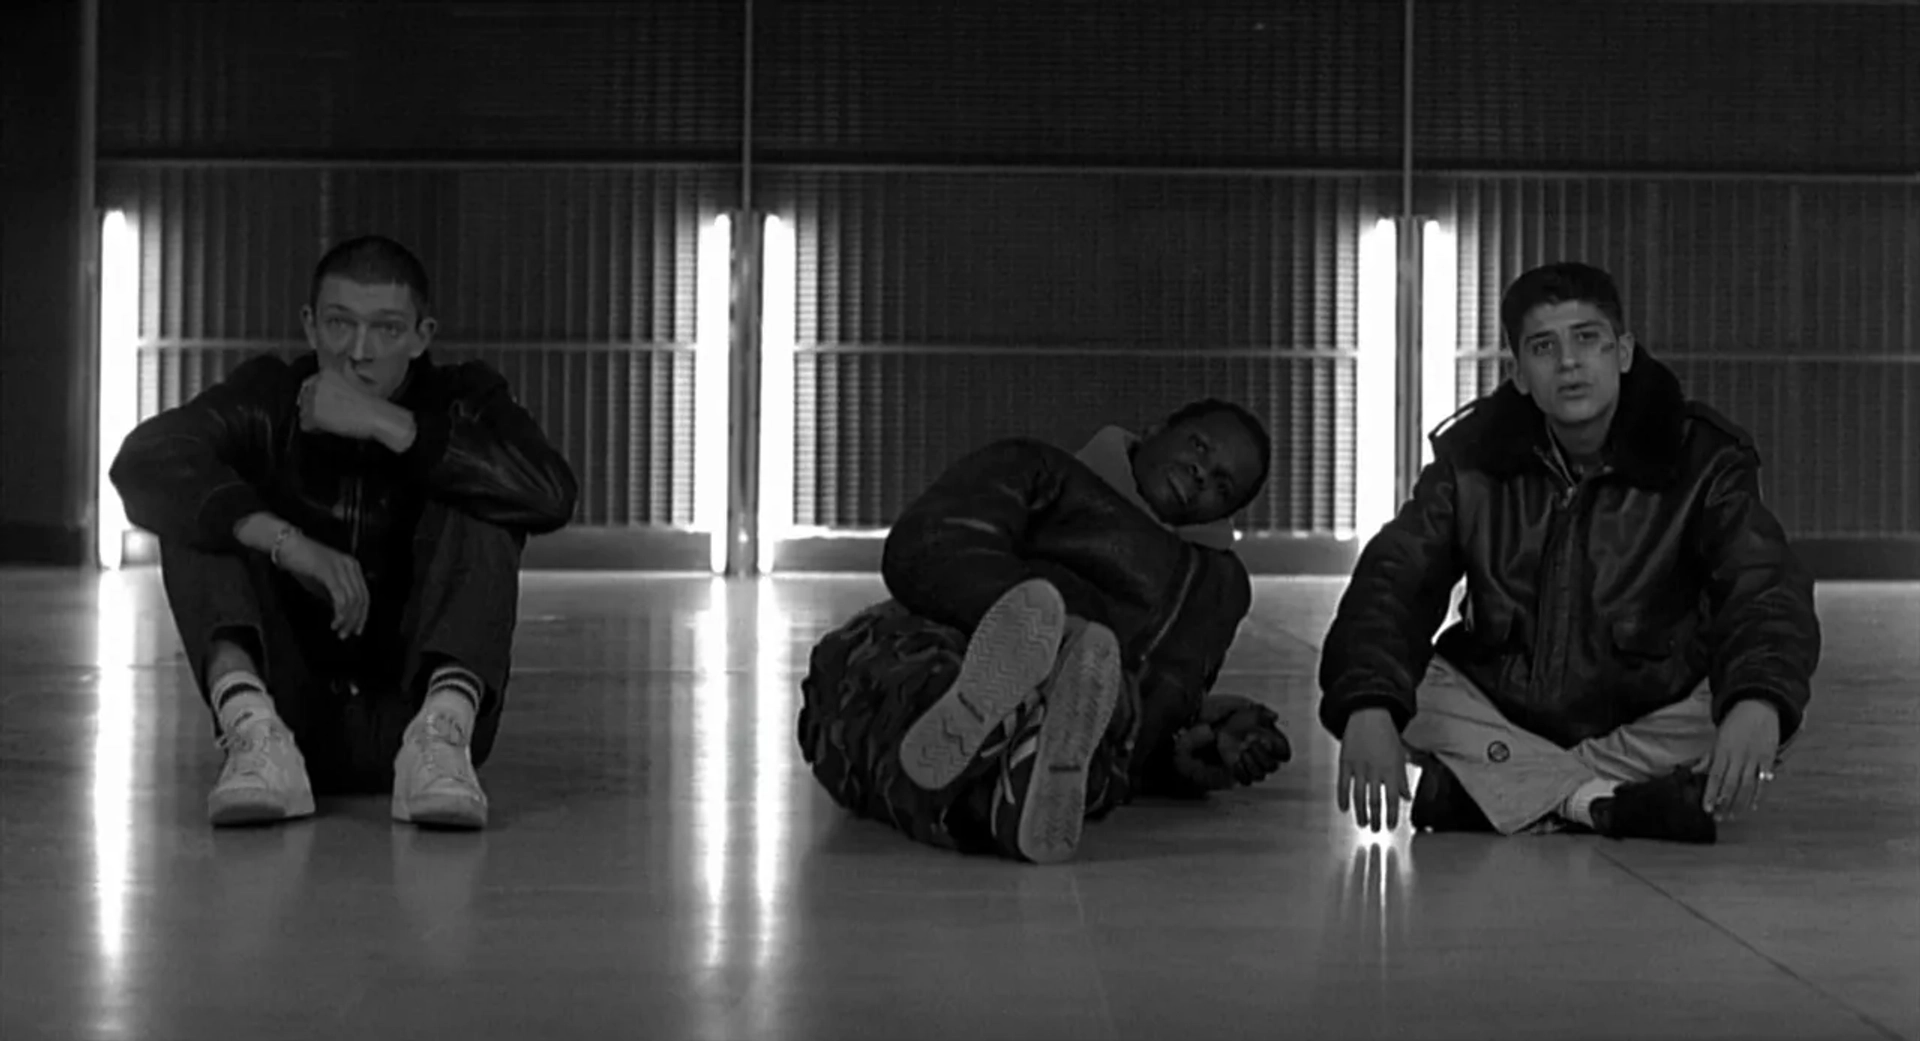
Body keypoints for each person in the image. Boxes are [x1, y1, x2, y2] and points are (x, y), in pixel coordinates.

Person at [1318, 261, 1820, 845]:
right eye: (1543, 347)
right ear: (1522, 374)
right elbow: (1393, 582)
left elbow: (1763, 585)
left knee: (1755, 711)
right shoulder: (1472, 461)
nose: (1569, 362)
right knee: (1398, 692)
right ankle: (1603, 804)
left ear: (1624, 352)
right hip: (1503, 708)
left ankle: (1505, 795)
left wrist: (1757, 699)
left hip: (1647, 710)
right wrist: (1368, 706)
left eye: (1588, 339)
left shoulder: (1704, 461)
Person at [110, 234, 578, 830]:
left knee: (485, 489)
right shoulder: (270, 397)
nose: (359, 352)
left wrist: (387, 424)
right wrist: (287, 542)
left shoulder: (464, 399)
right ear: (310, 326)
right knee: (201, 508)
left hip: (420, 706)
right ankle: (251, 730)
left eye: (386, 330)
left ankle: (442, 734)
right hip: (293, 713)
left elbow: (551, 492)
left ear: (421, 336)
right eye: (339, 324)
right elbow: (144, 459)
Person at [798, 400, 1294, 865]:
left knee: (1096, 731)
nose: (1201, 473)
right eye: (1199, 447)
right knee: (907, 672)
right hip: (954, 636)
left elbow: (1146, 729)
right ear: (1154, 431)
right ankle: (1007, 768)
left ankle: (1017, 780)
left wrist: (1189, 751)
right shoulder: (1041, 470)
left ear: (1223, 514)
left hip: (1089, 704)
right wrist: (1048, 629)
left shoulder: (1217, 590)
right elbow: (931, 541)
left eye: (1222, 485)